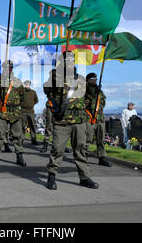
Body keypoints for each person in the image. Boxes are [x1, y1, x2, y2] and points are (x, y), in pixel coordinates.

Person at [45, 51, 99, 190]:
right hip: (61, 120)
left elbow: (89, 97)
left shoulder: (80, 79)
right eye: (67, 60)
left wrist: (94, 89)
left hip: (78, 120)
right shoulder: (55, 76)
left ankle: (85, 177)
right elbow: (47, 89)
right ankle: (51, 176)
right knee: (57, 150)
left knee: (80, 149)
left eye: (71, 60)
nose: (70, 62)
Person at [0, 60, 26, 167]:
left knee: (17, 136)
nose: (8, 69)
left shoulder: (17, 81)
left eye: (10, 67)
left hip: (15, 112)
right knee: (0, 135)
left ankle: (19, 156)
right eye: (6, 67)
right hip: (3, 112)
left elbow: (22, 96)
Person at [84, 73, 112, 167]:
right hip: (89, 118)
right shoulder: (84, 90)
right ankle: (83, 157)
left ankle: (102, 157)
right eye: (92, 78)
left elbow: (103, 103)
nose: (95, 80)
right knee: (87, 139)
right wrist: (92, 92)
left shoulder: (99, 90)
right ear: (88, 80)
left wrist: (98, 92)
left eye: (96, 78)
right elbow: (84, 103)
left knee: (101, 139)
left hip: (99, 118)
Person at [42, 69, 56, 153]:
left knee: (59, 127)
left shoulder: (60, 83)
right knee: (49, 126)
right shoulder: (47, 84)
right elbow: (46, 91)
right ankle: (45, 144)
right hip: (50, 106)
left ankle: (58, 145)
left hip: (59, 107)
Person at [21, 80, 39, 146]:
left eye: (28, 84)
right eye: (26, 84)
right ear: (24, 85)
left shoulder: (33, 92)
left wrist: (31, 104)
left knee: (33, 126)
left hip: (31, 111)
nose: (27, 85)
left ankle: (33, 140)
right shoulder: (22, 92)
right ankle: (21, 140)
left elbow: (36, 100)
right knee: (22, 126)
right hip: (23, 112)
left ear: (30, 85)